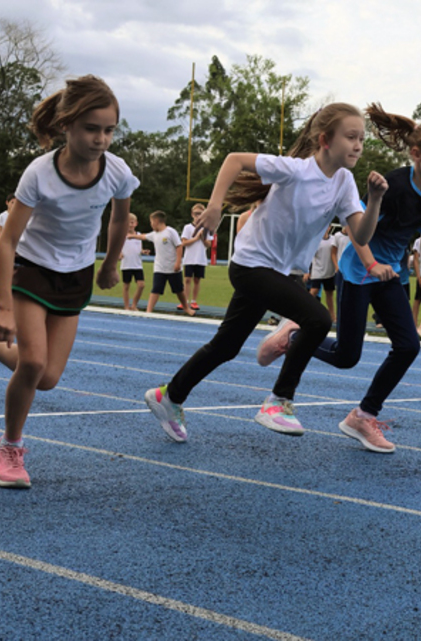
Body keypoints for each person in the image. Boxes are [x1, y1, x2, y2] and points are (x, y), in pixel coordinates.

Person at [143, 103, 387, 443]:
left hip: (277, 271)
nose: (359, 144)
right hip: (250, 265)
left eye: (362, 138)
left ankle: (169, 396)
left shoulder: (344, 181)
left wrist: (374, 200)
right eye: (350, 136)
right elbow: (234, 160)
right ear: (324, 140)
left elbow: (361, 236)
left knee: (226, 346)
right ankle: (279, 401)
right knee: (317, 319)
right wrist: (215, 204)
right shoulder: (295, 170)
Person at [0, 75, 138, 488]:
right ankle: (9, 448)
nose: (101, 139)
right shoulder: (39, 174)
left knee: (47, 377)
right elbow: (7, 241)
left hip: (76, 276)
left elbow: (119, 217)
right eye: (91, 128)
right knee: (32, 362)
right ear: (66, 125)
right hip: (31, 270)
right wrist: (2, 306)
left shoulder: (117, 172)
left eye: (109, 130)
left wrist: (110, 264)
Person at [259, 104, 421, 453]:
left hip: (390, 275)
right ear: (416, 153)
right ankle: (293, 336)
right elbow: (356, 229)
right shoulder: (393, 186)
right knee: (347, 356)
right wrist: (370, 265)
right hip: (358, 271)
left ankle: (364, 416)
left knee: (409, 346)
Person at [129, 211, 195, 316]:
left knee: (179, 290)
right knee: (156, 289)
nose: (151, 224)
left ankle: (186, 308)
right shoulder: (154, 234)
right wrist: (131, 236)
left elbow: (179, 246)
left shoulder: (170, 232)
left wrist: (178, 262)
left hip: (173, 268)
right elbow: (143, 236)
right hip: (159, 268)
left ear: (156, 221)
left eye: (151, 222)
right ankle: (148, 311)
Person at [179, 203, 213, 311]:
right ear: (192, 214)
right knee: (187, 279)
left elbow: (208, 244)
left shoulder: (207, 228)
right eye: (196, 213)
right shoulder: (187, 227)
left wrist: (202, 237)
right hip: (189, 258)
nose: (197, 216)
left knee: (197, 280)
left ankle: (194, 301)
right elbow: (184, 243)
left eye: (200, 214)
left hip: (200, 258)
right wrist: (196, 238)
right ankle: (185, 301)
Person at [308, 224, 339, 321]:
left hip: (329, 272)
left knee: (329, 294)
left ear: (329, 228)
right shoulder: (315, 241)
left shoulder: (333, 239)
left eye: (327, 227)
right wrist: (307, 271)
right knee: (313, 291)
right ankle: (305, 311)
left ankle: (332, 316)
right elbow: (309, 256)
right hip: (317, 270)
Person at [120, 213, 147, 310]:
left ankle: (134, 304)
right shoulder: (122, 235)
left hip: (137, 265)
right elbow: (118, 248)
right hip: (126, 264)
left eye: (132, 222)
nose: (130, 225)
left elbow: (139, 248)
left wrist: (143, 251)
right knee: (126, 285)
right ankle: (126, 306)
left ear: (136, 223)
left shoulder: (139, 235)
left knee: (141, 285)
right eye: (128, 223)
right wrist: (119, 254)